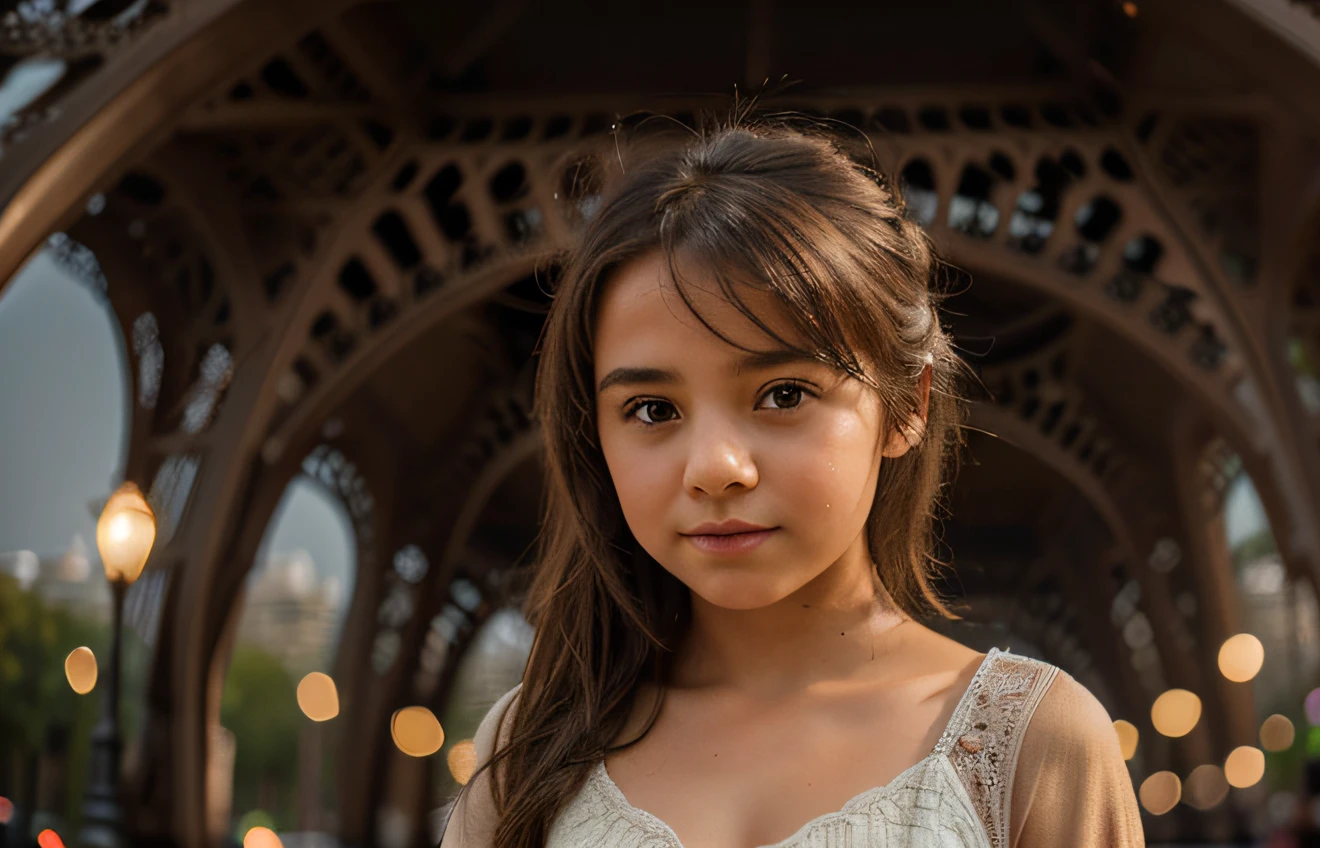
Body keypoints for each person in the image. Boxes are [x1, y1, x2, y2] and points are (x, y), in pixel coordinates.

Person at [441, 114, 1143, 848]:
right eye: (652, 409)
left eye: (783, 395)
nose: (716, 468)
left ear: (908, 406)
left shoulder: (1033, 745)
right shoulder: (526, 750)